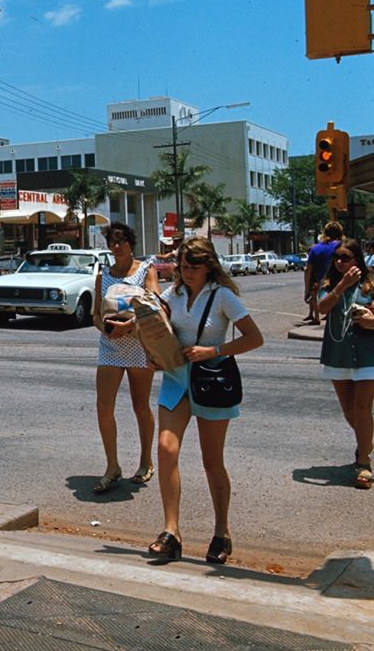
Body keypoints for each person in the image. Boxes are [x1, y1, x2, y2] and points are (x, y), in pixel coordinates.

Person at [148, 237, 263, 566]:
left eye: (194, 268)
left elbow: (255, 338)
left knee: (212, 461)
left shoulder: (222, 296)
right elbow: (154, 324)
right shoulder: (174, 294)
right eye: (182, 267)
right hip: (176, 381)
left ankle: (221, 531)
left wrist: (213, 351)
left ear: (209, 266)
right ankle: (171, 533)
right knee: (166, 450)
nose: (186, 274)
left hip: (212, 382)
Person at [91, 221, 159, 493]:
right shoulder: (103, 275)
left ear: (131, 243)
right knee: (103, 405)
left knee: (140, 406)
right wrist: (106, 329)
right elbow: (96, 313)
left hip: (139, 344)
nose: (116, 246)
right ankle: (112, 466)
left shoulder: (145, 270)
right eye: (112, 242)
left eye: (121, 241)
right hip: (111, 346)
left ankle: (146, 462)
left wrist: (129, 327)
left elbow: (154, 305)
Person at [316, 238, 374, 490]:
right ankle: (367, 440)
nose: (340, 262)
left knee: (362, 407)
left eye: (345, 258)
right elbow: (322, 308)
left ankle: (363, 462)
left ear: (357, 260)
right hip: (338, 353)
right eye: (337, 257)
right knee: (350, 410)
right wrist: (342, 286)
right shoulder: (329, 283)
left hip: (367, 353)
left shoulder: (370, 284)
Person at [304, 222, 343, 326]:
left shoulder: (315, 249)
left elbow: (308, 270)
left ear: (324, 233)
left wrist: (307, 289)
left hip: (320, 281)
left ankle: (317, 318)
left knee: (315, 298)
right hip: (340, 282)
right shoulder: (343, 246)